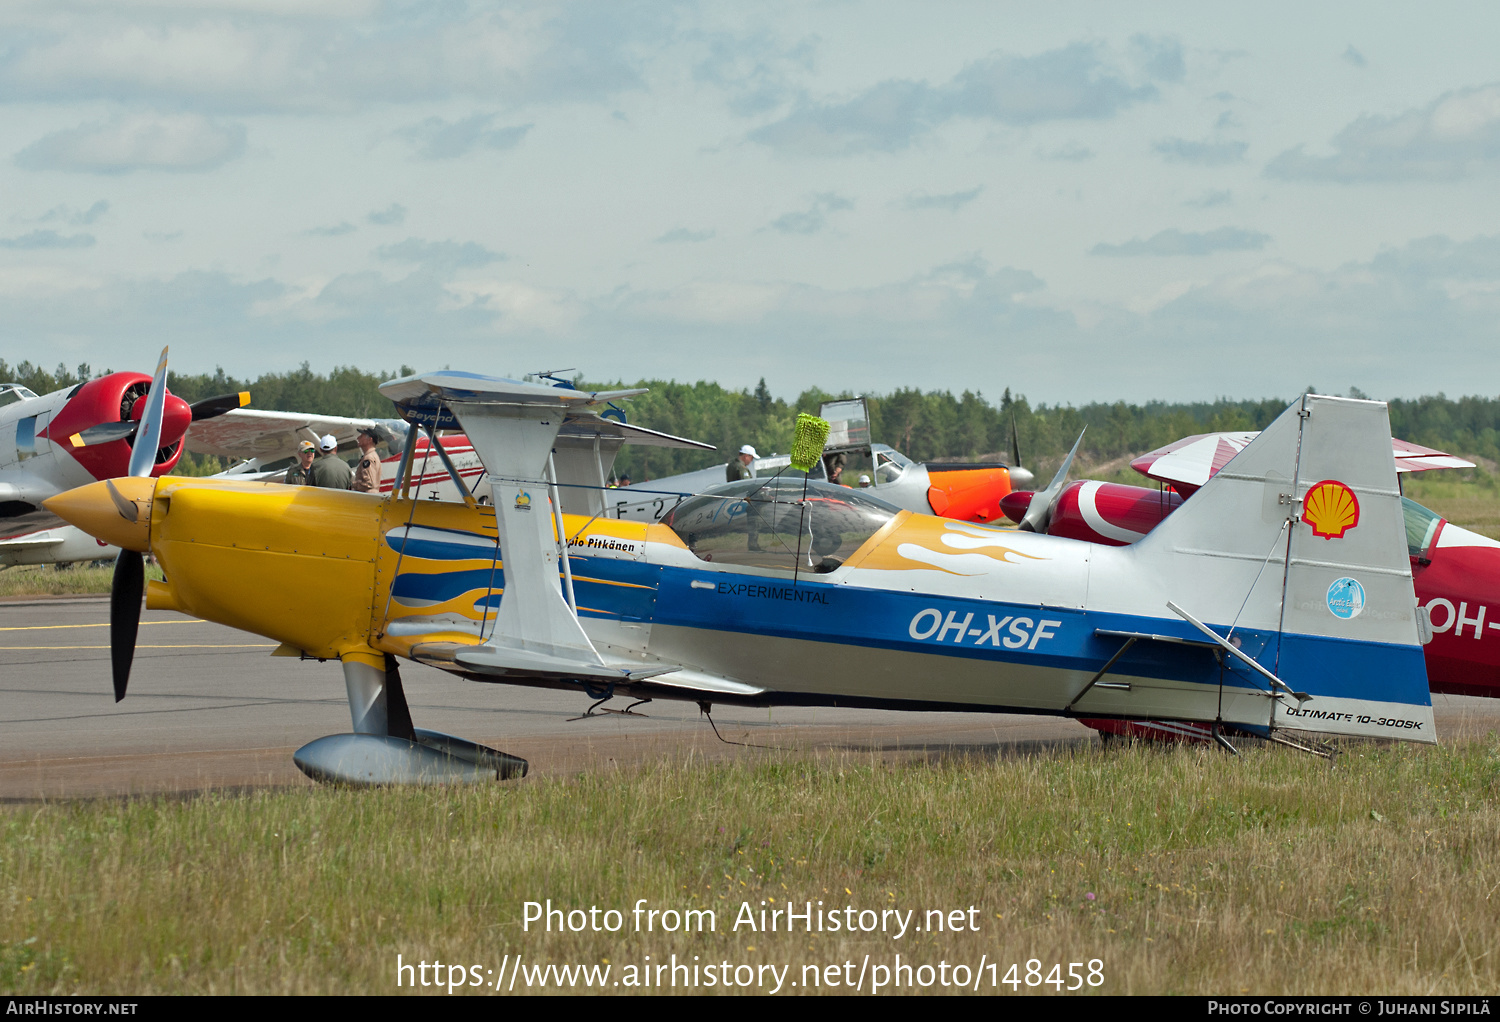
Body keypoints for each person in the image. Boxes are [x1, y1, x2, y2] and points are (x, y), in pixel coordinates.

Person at [351, 427, 386, 494]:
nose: (358, 438)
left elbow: (369, 484)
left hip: (367, 497)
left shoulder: (368, 458)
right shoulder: (372, 455)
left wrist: (353, 484)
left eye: (361, 436)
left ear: (369, 440)